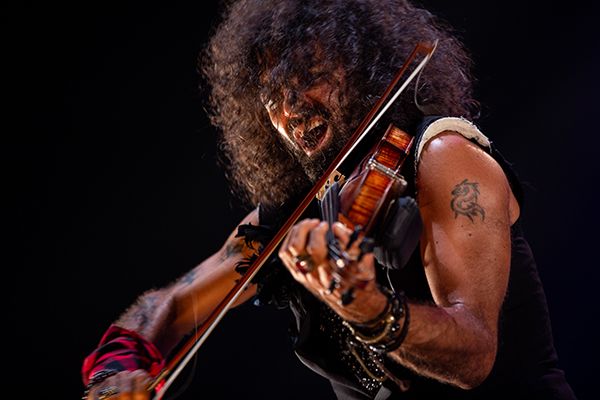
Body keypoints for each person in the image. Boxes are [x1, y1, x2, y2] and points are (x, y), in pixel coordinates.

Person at [81, 0, 576, 399]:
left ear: (364, 67)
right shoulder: (296, 212)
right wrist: (114, 375)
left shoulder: (443, 157)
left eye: (310, 75)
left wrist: (373, 311)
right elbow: (170, 305)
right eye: (272, 95)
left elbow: (474, 353)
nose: (291, 107)